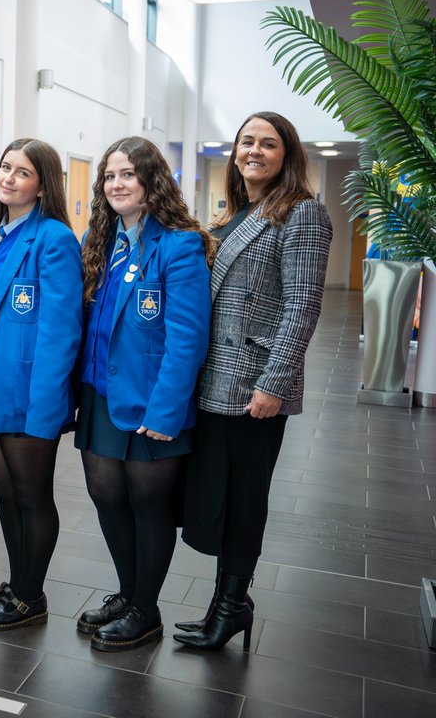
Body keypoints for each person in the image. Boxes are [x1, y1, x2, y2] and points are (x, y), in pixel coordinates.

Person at [176, 112, 332, 651]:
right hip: (211, 380)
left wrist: (275, 382)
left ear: (287, 155)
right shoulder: (235, 214)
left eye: (269, 144)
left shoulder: (302, 214)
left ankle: (231, 606)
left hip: (253, 387)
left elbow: (302, 306)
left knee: (245, 502)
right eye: (247, 142)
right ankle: (228, 602)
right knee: (217, 495)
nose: (255, 151)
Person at [73, 136, 214, 652]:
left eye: (128, 174)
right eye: (110, 176)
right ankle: (127, 592)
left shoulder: (179, 244)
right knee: (106, 498)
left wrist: (167, 409)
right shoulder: (101, 238)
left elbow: (187, 338)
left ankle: (146, 610)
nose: (117, 184)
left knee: (147, 503)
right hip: (101, 396)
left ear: (152, 180)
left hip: (152, 401)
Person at [0, 139, 83, 630]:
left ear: (42, 185)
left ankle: (30, 596)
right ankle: (18, 583)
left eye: (22, 172)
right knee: (4, 492)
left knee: (31, 495)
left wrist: (46, 405)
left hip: (30, 391)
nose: (8, 178)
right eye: (5, 168)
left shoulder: (54, 239)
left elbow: (61, 331)